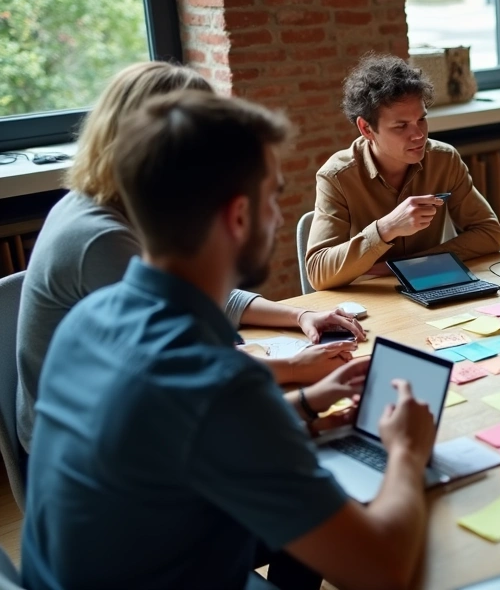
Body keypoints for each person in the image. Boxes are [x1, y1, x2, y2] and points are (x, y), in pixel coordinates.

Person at [23, 91, 437, 590]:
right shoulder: (217, 384)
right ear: (239, 216)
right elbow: (384, 571)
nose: (281, 217)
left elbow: (177, 437)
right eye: (274, 197)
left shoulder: (86, 319)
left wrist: (305, 403)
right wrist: (406, 451)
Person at [15, 62, 364, 458]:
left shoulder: (116, 205)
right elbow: (191, 372)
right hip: (85, 440)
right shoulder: (103, 238)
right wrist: (297, 371)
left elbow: (188, 330)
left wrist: (299, 316)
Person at [305, 53, 500, 290]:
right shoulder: (336, 177)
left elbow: (490, 234)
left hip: (430, 287)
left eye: (421, 119)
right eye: (401, 126)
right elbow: (318, 272)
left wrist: (408, 264)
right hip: (373, 299)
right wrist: (386, 228)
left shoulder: (444, 159)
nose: (419, 134)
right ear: (366, 129)